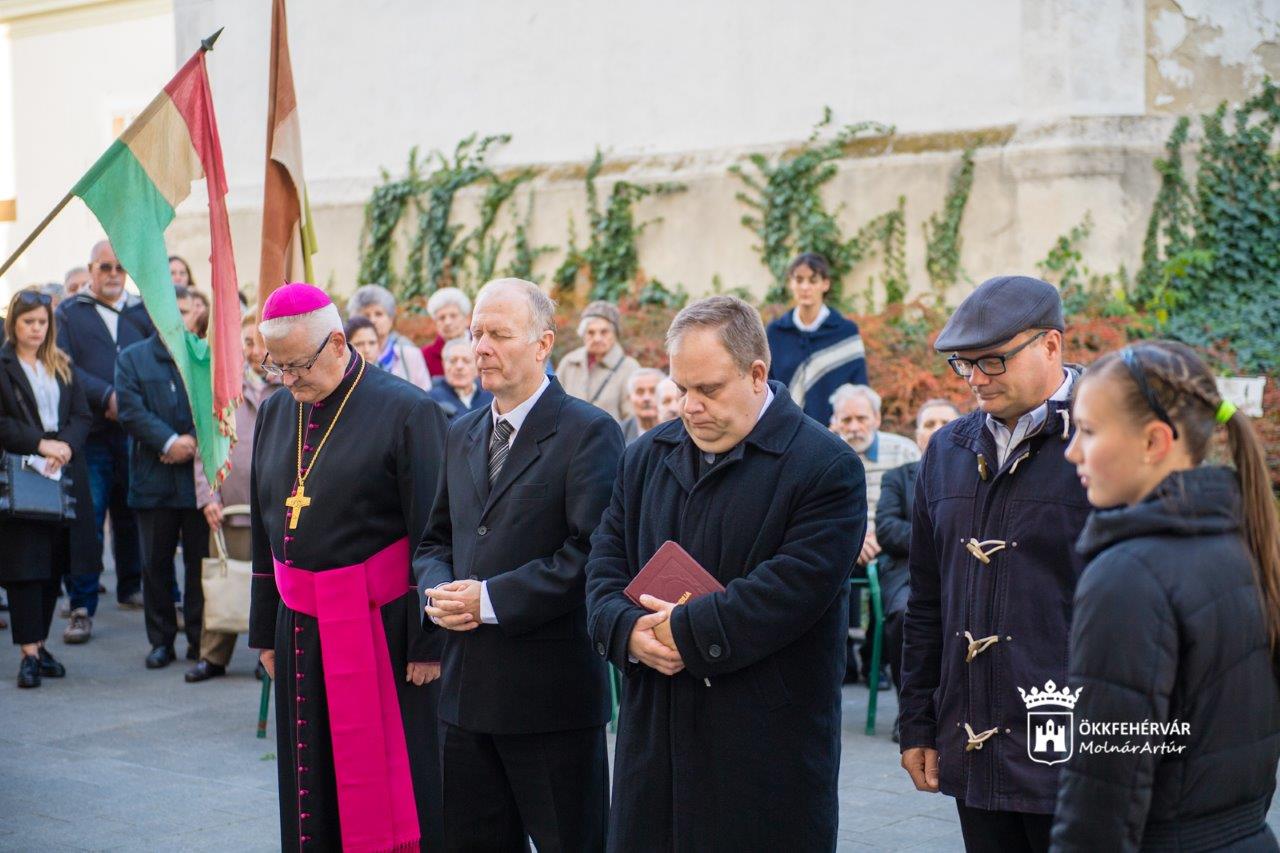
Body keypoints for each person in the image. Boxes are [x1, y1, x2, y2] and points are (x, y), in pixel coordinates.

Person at [585, 295, 865, 850]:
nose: (689, 406)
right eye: (681, 388)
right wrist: (627, 632)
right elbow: (603, 564)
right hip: (654, 746)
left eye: (708, 389)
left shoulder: (827, 467)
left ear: (757, 374)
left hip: (762, 754)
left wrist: (683, 632)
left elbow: (791, 590)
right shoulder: (644, 457)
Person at [416, 278, 621, 852]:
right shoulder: (459, 432)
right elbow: (434, 540)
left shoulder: (588, 432)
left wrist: (487, 600)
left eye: (498, 334)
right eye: (476, 332)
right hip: (464, 697)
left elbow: (591, 553)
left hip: (549, 701)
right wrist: (438, 593)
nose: (480, 346)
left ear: (542, 344)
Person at [1052, 341, 1280, 851]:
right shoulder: (1248, 544)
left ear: (1155, 441)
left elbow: (1103, 783)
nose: (1071, 452)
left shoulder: (1128, 575)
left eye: (1087, 431)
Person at [249, 283, 449, 852]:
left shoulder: (408, 411)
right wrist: (265, 629)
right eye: (276, 366)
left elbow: (435, 531)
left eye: (297, 366)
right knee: (307, 779)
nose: (288, 382)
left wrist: (426, 641)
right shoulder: (274, 412)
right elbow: (269, 534)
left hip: (383, 629)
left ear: (338, 342)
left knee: (394, 781)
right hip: (299, 628)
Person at [898, 275, 1090, 853]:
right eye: (964, 365)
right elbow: (927, 602)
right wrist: (918, 725)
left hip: (1078, 751)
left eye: (993, 361)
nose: (976, 379)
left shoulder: (1106, 441)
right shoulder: (948, 450)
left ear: (1051, 346)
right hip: (973, 746)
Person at [55, 239, 155, 642]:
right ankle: (81, 604)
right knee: (89, 520)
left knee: (131, 512)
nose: (113, 274)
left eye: (119, 267)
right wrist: (107, 396)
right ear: (91, 270)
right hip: (91, 433)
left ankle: (131, 586)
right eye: (105, 267)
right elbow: (65, 365)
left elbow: (157, 356)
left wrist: (129, 401)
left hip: (135, 433)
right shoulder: (70, 313)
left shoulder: (142, 312)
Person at [0, 289, 100, 687]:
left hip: (63, 473)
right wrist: (40, 444)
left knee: (56, 564)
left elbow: (82, 414)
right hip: (22, 472)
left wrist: (65, 447)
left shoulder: (62, 364)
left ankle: (39, 647)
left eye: (42, 322)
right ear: (14, 324)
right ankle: (28, 651)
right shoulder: (3, 364)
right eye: (28, 322)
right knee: (26, 567)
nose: (36, 329)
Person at [115, 286, 208, 669]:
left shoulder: (203, 357)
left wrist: (191, 443)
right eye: (171, 311)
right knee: (155, 565)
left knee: (199, 566)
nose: (178, 318)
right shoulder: (133, 358)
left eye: (185, 311)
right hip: (153, 478)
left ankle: (201, 641)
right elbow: (130, 410)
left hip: (197, 482)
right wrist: (169, 441)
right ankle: (161, 641)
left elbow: (216, 405)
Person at [187, 312, 283, 682]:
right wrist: (207, 496)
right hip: (230, 505)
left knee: (270, 584)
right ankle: (213, 655)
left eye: (260, 341)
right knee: (223, 579)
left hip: (274, 506)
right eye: (247, 341)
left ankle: (267, 655)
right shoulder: (224, 388)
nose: (254, 349)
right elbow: (205, 448)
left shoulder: (288, 385)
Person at [874, 399, 962, 733]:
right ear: (917, 434)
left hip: (959, 571)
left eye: (944, 421)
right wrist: (940, 537)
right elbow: (886, 529)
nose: (936, 429)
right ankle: (910, 709)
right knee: (903, 616)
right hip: (906, 572)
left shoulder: (976, 474)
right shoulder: (898, 478)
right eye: (928, 423)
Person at [829, 382, 922, 684]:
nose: (854, 427)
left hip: (886, 544)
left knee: (892, 588)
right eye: (846, 420)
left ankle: (875, 660)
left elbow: (908, 506)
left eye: (861, 419)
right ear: (835, 420)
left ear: (877, 420)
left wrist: (877, 538)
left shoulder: (903, 451)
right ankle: (839, 659)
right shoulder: (822, 451)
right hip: (840, 543)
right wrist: (852, 542)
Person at [766, 251, 867, 428]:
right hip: (784, 432)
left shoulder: (846, 332)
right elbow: (766, 386)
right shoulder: (775, 332)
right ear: (791, 283)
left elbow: (860, 388)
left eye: (813, 280)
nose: (805, 287)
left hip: (835, 434)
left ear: (825, 284)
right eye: (799, 280)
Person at [556, 300, 641, 422]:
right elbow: (555, 403)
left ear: (614, 334)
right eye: (591, 332)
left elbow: (631, 420)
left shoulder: (629, 367)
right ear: (583, 334)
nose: (597, 338)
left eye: (604, 332)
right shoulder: (569, 362)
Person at [345, 283, 431, 390]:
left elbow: (426, 395)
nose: (373, 320)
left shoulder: (410, 354)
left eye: (379, 314)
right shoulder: (347, 357)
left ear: (391, 319)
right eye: (366, 315)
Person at [425, 336, 491, 420]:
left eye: (466, 361)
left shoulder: (492, 399)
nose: (459, 366)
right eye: (452, 361)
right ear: (444, 364)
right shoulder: (430, 400)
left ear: (477, 366)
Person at [420, 286, 472, 378]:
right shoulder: (425, 355)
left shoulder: (481, 348)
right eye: (442, 318)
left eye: (453, 316)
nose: (447, 322)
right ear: (435, 323)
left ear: (466, 319)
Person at [618, 367, 664, 443]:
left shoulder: (678, 430)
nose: (646, 398)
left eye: (653, 391)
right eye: (640, 392)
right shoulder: (620, 433)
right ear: (629, 398)